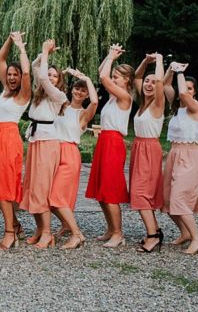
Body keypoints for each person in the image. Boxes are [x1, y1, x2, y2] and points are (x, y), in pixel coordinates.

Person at [85, 44, 133, 247]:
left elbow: (103, 78)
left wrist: (112, 57)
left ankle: (118, 234)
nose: (113, 79)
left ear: (127, 80)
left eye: (117, 77)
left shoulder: (125, 97)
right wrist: (109, 56)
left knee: (111, 189)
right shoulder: (113, 98)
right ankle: (110, 229)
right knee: (102, 190)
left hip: (113, 143)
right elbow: (101, 73)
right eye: (113, 76)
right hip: (104, 141)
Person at [19, 39, 65, 248]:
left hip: (48, 143)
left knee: (41, 187)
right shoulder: (40, 95)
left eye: (56, 76)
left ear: (59, 81)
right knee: (31, 186)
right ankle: (39, 229)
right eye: (51, 74)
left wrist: (47, 53)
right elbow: (37, 68)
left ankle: (47, 233)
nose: (51, 79)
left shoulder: (58, 95)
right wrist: (42, 53)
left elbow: (43, 77)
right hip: (36, 141)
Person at [0, 31, 30, 249]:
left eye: (16, 74)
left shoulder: (23, 95)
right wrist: (10, 40)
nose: (12, 77)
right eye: (10, 74)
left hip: (9, 139)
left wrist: (21, 48)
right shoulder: (5, 90)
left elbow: (27, 72)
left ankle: (9, 232)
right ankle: (16, 225)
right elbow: (0, 59)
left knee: (4, 186)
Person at [50, 68, 99, 249]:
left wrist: (86, 78)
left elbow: (95, 102)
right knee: (50, 197)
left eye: (83, 90)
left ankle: (77, 234)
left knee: (56, 196)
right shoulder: (61, 106)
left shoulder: (83, 114)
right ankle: (65, 224)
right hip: (54, 151)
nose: (79, 92)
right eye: (77, 88)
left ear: (86, 94)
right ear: (72, 90)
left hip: (69, 153)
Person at [163, 62, 198, 255]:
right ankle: (185, 233)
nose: (185, 91)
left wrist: (181, 72)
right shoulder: (176, 108)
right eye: (184, 87)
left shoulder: (194, 107)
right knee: (168, 200)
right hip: (174, 153)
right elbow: (164, 86)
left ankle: (197, 238)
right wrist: (171, 69)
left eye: (190, 89)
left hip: (190, 156)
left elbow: (182, 94)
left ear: (194, 93)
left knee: (179, 198)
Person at [130, 52, 167, 252]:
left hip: (149, 149)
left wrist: (159, 60)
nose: (149, 84)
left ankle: (153, 236)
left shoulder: (157, 104)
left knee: (140, 193)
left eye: (153, 82)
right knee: (139, 191)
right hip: (139, 147)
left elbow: (160, 84)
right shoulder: (143, 104)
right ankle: (154, 230)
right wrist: (145, 61)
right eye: (147, 81)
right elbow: (136, 77)